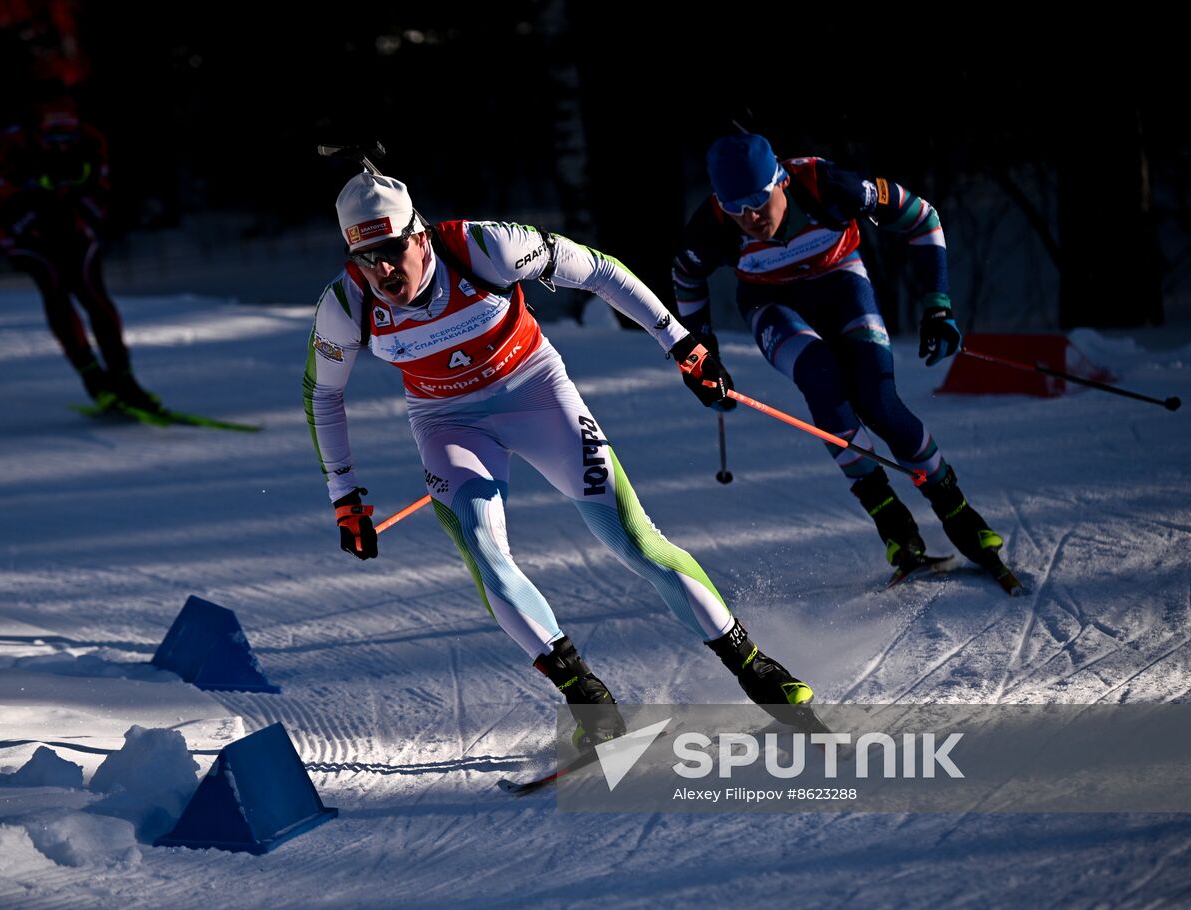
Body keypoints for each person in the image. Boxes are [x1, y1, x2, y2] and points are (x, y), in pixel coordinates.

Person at [304, 171, 825, 747]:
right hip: (446, 423)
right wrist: (344, 497)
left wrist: (680, 344)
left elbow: (598, 270)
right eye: (365, 256)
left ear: (419, 235)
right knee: (484, 550)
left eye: (392, 249)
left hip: (535, 393)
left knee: (634, 539)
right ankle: (589, 702)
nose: (381, 270)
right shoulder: (345, 303)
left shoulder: (482, 248)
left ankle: (757, 670)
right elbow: (323, 394)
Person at [671, 133, 1015, 589]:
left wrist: (938, 305)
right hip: (771, 303)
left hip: (839, 281)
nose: (750, 216)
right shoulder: (713, 226)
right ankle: (892, 523)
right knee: (821, 379)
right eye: (736, 206)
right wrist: (702, 354)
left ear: (780, 181)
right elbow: (686, 276)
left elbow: (923, 217)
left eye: (758, 198)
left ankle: (957, 511)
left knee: (878, 402)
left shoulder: (826, 184)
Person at [0, 95, 159, 411]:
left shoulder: (91, 139)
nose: (61, 145)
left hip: (72, 223)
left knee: (93, 293)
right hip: (25, 228)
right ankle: (92, 376)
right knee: (55, 287)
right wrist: (32, 187)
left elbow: (100, 191)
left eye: (68, 137)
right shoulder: (10, 144)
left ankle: (123, 378)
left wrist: (77, 202)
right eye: (53, 138)